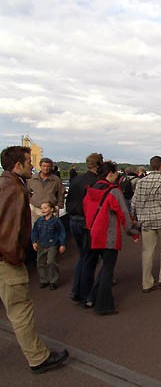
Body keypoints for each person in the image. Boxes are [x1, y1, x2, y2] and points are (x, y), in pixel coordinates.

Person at [0, 146, 69, 373]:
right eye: (29, 161)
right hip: (7, 261)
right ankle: (38, 358)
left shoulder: (5, 184)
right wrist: (16, 258)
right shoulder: (14, 189)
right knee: (20, 310)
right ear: (17, 165)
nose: (33, 165)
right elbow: (9, 230)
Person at [83, 161, 139, 315]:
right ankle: (104, 304)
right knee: (108, 268)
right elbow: (123, 213)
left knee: (102, 267)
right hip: (108, 234)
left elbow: (86, 209)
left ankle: (91, 297)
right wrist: (133, 232)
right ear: (111, 174)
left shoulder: (91, 189)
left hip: (93, 232)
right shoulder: (113, 191)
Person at [131, 156, 161, 293]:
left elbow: (134, 201)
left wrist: (133, 215)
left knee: (148, 251)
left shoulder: (141, 181)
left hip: (146, 220)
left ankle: (147, 283)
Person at [66, 153, 102, 304]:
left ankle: (76, 290)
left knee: (82, 256)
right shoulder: (96, 182)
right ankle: (86, 294)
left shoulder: (76, 180)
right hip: (87, 221)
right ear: (99, 165)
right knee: (90, 258)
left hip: (73, 219)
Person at [31, 202, 66, 290]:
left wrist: (62, 244)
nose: (43, 210)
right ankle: (44, 280)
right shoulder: (39, 220)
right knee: (40, 263)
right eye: (42, 208)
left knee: (51, 261)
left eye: (45, 208)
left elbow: (61, 232)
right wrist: (34, 241)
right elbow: (35, 231)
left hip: (52, 244)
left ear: (51, 209)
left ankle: (53, 281)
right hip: (41, 244)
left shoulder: (56, 221)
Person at [27, 157, 65, 225]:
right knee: (35, 231)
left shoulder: (56, 180)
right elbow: (27, 192)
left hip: (51, 210)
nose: (46, 168)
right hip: (35, 210)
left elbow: (61, 193)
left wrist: (58, 206)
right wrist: (30, 204)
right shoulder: (32, 178)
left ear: (51, 167)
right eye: (44, 166)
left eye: (48, 166)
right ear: (40, 166)